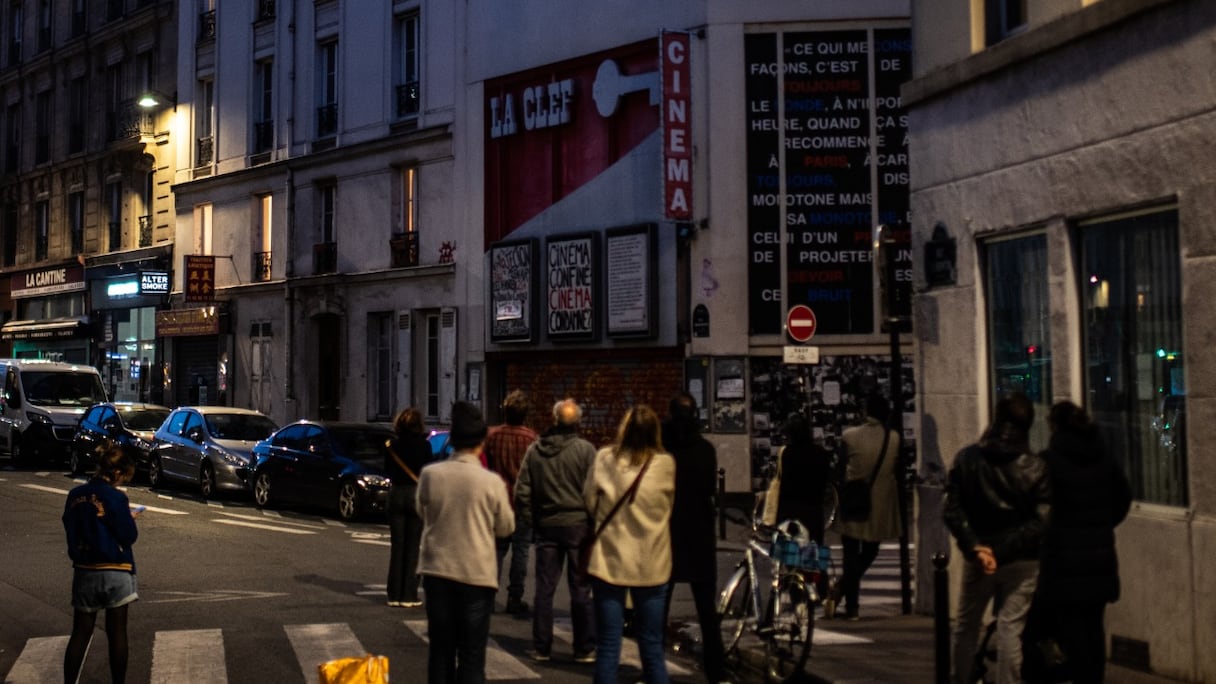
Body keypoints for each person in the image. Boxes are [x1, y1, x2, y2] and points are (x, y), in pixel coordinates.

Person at [943, 392, 1050, 684]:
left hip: (980, 556)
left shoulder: (968, 458)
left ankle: (961, 678)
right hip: (1022, 559)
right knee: (1010, 628)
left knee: (966, 626)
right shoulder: (1036, 467)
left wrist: (978, 548)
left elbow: (952, 509)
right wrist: (999, 551)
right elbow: (1042, 522)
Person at [1023, 401, 1131, 684]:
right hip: (1099, 559)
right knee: (1093, 629)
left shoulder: (1049, 461)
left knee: (1068, 631)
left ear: (1055, 427)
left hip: (1063, 562)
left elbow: (1037, 507)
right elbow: (1122, 499)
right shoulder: (1104, 458)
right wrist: (1101, 525)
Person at [417, 401, 514, 684]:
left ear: (452, 440)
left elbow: (421, 512)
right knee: (472, 655)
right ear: (481, 442)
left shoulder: (431, 475)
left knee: (440, 652)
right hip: (476, 576)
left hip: (437, 572)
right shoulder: (491, 482)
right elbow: (506, 525)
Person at [584, 405, 677, 684]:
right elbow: (668, 508)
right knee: (651, 646)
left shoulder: (605, 458)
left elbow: (589, 501)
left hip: (610, 560)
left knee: (609, 646)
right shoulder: (666, 464)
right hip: (652, 562)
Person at [514, 398, 597, 663]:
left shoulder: (536, 450)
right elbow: (595, 490)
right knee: (580, 588)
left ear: (555, 419)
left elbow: (522, 491)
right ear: (577, 422)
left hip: (547, 525)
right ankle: (583, 647)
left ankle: (542, 646)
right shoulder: (585, 451)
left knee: (544, 589)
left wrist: (531, 521)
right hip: (578, 526)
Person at [661, 393, 726, 683]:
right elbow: (710, 490)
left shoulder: (663, 452)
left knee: (658, 607)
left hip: (667, 534)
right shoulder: (706, 451)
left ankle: (654, 668)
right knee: (707, 612)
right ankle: (716, 670)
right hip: (699, 535)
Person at [62, 445, 141, 684]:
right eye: (124, 477)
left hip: (85, 569)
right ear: (117, 473)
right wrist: (129, 518)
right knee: (117, 633)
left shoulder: (75, 495)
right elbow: (128, 536)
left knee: (80, 633)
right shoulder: (116, 497)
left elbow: (69, 525)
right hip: (116, 570)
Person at [834, 394, 901, 620]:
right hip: (880, 504)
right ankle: (843, 589)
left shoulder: (849, 436)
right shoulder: (893, 438)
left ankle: (851, 603)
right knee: (870, 550)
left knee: (850, 553)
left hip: (854, 501)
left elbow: (840, 469)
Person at [483, 389, 539, 616]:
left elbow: (485, 465)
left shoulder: (492, 435)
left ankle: (488, 594)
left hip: (497, 500)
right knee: (521, 551)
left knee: (496, 549)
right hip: (522, 502)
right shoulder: (531, 439)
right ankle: (515, 597)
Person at [385, 406, 430, 608]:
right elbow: (427, 472)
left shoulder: (392, 445)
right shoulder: (425, 446)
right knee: (413, 546)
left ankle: (394, 593)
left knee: (397, 546)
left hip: (396, 494)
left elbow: (387, 470)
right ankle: (409, 594)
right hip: (415, 494)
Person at [774, 413, 832, 545]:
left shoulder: (788, 453)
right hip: (813, 509)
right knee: (811, 553)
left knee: (790, 553)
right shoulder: (820, 453)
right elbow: (825, 479)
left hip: (791, 509)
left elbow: (784, 482)